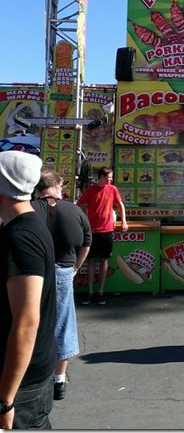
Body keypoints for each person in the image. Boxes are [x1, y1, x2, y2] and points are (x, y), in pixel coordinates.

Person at [0, 151, 57, 429]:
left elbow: (26, 322)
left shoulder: (21, 236)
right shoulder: (29, 224)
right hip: (31, 373)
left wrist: (5, 399)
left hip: (21, 384)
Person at [32, 169, 92, 401]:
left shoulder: (29, 209)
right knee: (63, 323)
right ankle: (59, 379)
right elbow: (87, 240)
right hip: (63, 271)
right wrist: (76, 267)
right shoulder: (74, 210)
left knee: (31, 322)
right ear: (58, 187)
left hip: (34, 272)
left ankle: (33, 376)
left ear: (37, 188)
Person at [77, 166, 128, 305]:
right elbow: (79, 204)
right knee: (91, 261)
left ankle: (100, 292)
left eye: (111, 178)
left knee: (104, 261)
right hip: (92, 231)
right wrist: (86, 212)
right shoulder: (90, 190)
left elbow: (120, 204)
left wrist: (123, 220)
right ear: (101, 177)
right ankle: (90, 292)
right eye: (109, 178)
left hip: (107, 230)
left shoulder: (113, 189)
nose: (111, 180)